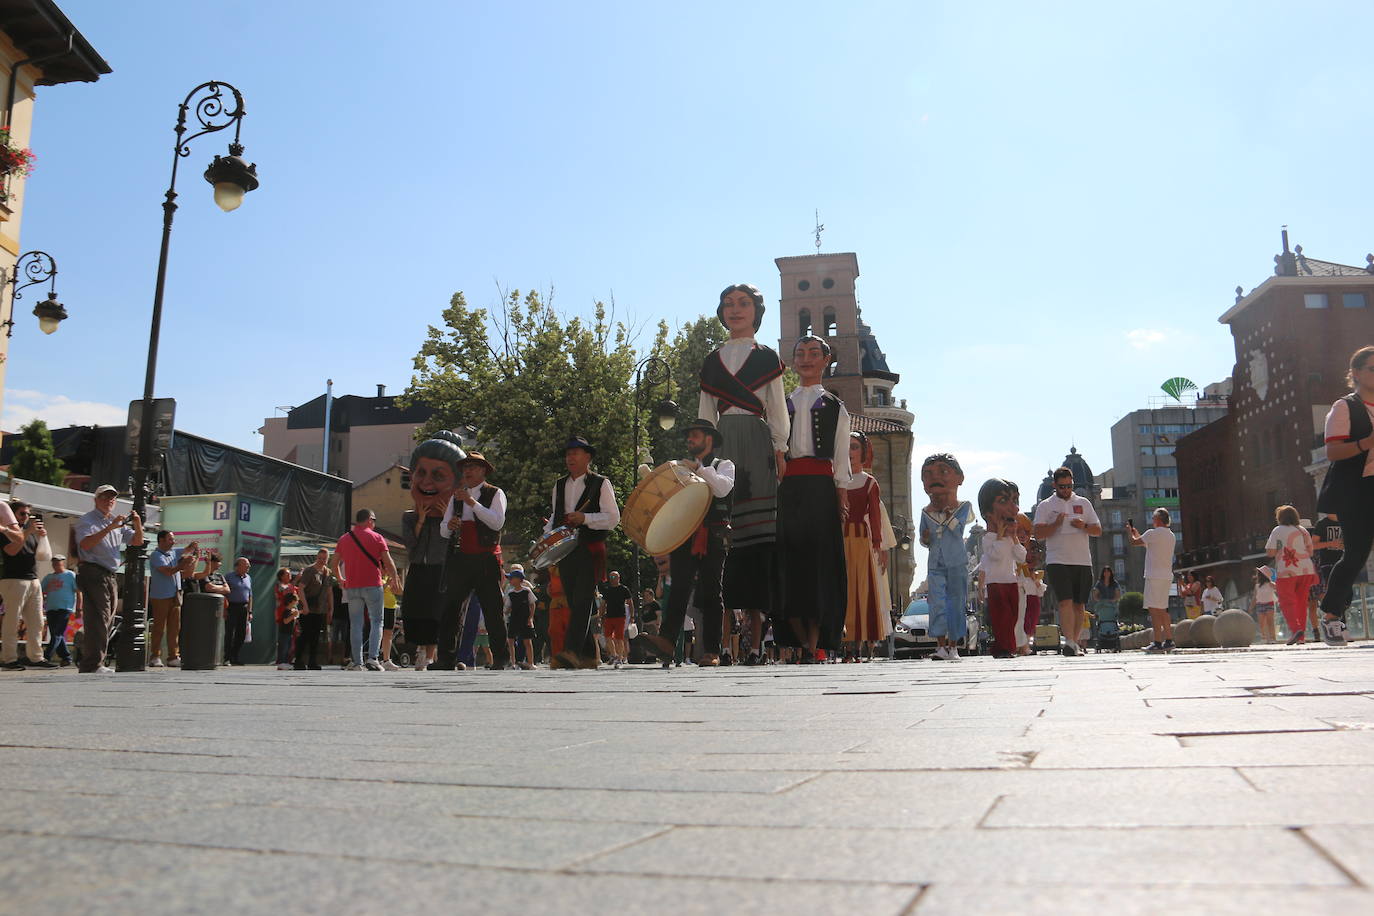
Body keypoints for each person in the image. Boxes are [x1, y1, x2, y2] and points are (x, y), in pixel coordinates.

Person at [699, 284, 788, 662]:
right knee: (720, 540)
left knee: (756, 542)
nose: (735, 310)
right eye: (728, 304)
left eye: (744, 303)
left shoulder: (768, 358)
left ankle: (754, 644)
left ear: (756, 311)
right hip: (721, 443)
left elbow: (777, 408)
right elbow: (705, 412)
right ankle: (717, 643)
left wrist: (781, 449)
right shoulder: (711, 361)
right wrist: (702, 456)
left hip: (756, 440)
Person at [776, 335, 850, 662]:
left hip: (821, 488)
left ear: (825, 360)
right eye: (800, 353)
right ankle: (800, 638)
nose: (806, 358)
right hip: (789, 487)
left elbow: (841, 457)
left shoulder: (836, 407)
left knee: (818, 562)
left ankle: (815, 641)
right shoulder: (781, 404)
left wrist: (841, 498)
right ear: (793, 361)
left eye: (813, 353)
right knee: (791, 562)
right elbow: (775, 446)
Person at [644, 418, 735, 667]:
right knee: (679, 588)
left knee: (711, 592)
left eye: (694, 435)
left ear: (709, 439)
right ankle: (666, 641)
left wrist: (698, 469)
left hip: (714, 536)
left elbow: (722, 489)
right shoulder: (681, 469)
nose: (689, 440)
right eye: (689, 436)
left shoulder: (724, 465)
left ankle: (713, 651)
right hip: (686, 536)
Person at [546, 436, 621, 670]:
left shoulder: (601, 483)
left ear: (588, 457)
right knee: (575, 601)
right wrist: (546, 539)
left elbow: (613, 518)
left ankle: (570, 651)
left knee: (581, 600)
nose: (570, 457)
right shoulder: (559, 485)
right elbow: (554, 517)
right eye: (568, 454)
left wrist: (585, 518)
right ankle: (589, 656)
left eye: (575, 453)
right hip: (566, 550)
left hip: (590, 549)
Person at [1316, 346, 1374, 645]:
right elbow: (1334, 451)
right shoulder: (1345, 407)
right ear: (1356, 373)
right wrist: (1367, 441)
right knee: (1356, 554)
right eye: (1372, 369)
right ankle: (1331, 614)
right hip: (1357, 489)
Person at [400, 431, 466, 671]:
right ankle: (420, 651)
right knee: (416, 609)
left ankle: (434, 654)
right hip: (419, 567)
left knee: (439, 611)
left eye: (438, 475)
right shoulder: (409, 518)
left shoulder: (459, 516)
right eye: (421, 473)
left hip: (443, 568)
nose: (426, 483)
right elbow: (411, 546)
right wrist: (420, 520)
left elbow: (458, 544)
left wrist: (447, 519)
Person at [440, 450, 510, 670]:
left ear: (483, 471)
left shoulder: (495, 493)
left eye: (472, 467)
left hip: (486, 559)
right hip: (461, 559)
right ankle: (446, 659)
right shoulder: (455, 496)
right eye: (465, 467)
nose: (467, 471)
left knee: (493, 611)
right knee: (451, 609)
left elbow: (496, 523)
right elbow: (443, 530)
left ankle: (501, 658)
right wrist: (449, 526)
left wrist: (471, 502)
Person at [1031, 467, 1102, 657]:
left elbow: (1097, 530)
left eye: (1069, 486)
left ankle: (1074, 642)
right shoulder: (1045, 505)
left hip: (1082, 560)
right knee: (1065, 602)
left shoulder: (1083, 503)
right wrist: (1055, 524)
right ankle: (1069, 642)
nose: (1066, 490)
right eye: (1062, 486)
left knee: (1079, 605)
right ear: (1055, 485)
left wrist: (1083, 526)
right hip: (1057, 559)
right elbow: (1038, 534)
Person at [74, 485, 144, 674]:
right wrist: (110, 527)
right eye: (104, 497)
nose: (109, 501)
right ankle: (92, 664)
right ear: (96, 500)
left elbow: (137, 541)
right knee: (99, 618)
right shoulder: (87, 520)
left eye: (112, 498)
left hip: (109, 574)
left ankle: (95, 661)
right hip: (93, 571)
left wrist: (137, 523)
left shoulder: (115, 521)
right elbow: (86, 544)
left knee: (107, 619)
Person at [920, 454, 975, 661]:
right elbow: (924, 540)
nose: (935, 478)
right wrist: (925, 538)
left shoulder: (964, 507)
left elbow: (957, 528)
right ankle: (940, 645)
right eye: (928, 474)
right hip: (935, 563)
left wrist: (947, 513)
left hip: (956, 561)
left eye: (943, 472)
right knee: (936, 604)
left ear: (959, 478)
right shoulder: (925, 512)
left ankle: (953, 646)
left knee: (955, 603)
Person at [331, 508, 401, 671]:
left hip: (353, 587)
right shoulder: (377, 538)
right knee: (377, 621)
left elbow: (333, 564)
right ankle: (373, 659)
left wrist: (341, 580)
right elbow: (388, 562)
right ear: (370, 520)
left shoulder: (344, 539)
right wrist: (395, 578)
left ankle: (357, 662)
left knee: (356, 624)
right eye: (374, 521)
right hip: (373, 585)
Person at [842, 432, 889, 661]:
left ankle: (860, 644)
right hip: (840, 539)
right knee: (844, 588)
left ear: (863, 452)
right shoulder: (837, 480)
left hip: (861, 538)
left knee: (861, 588)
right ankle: (845, 644)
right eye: (846, 447)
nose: (850, 452)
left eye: (854, 447)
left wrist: (878, 544)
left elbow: (877, 517)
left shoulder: (870, 483)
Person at [1, 502, 55, 669]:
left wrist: (41, 537)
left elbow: (40, 556)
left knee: (37, 621)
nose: (26, 517)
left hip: (33, 579)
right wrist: (28, 531)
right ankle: (9, 658)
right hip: (13, 580)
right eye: (22, 514)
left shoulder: (29, 532)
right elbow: (11, 551)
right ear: (13, 514)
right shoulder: (6, 531)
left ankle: (36, 657)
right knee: (12, 620)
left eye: (28, 514)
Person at [977, 478, 1024, 658]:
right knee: (1001, 617)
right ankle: (1004, 648)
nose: (1014, 508)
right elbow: (994, 554)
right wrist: (1001, 535)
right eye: (1004, 501)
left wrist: (1014, 538)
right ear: (988, 512)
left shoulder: (1010, 539)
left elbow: (1021, 556)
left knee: (1012, 616)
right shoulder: (989, 538)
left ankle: (1006, 646)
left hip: (1010, 580)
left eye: (1015, 501)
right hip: (996, 582)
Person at [1266, 504, 1318, 645]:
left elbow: (1270, 552)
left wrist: (1280, 549)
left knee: (1286, 602)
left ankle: (1295, 630)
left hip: (1287, 570)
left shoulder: (1277, 530)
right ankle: (1301, 637)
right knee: (1302, 602)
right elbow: (1311, 552)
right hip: (1306, 569)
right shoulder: (1303, 530)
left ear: (1279, 518)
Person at [1127, 508, 1176, 653]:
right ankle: (1168, 639)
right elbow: (1146, 543)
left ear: (1158, 519)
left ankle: (1157, 642)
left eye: (1154, 517)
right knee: (1162, 609)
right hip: (1166, 576)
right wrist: (1137, 534)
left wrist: (1129, 531)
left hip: (1154, 576)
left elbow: (1134, 542)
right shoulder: (1171, 535)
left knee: (1154, 610)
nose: (1152, 520)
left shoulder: (1152, 533)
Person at [147, 530, 198, 668]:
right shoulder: (156, 555)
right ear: (161, 541)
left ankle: (173, 656)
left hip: (175, 594)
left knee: (175, 628)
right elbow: (168, 571)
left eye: (173, 539)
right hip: (160, 596)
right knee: (159, 627)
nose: (173, 541)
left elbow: (187, 550)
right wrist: (182, 565)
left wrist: (193, 547)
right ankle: (155, 656)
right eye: (170, 539)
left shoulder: (173, 552)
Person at [295, 549, 332, 670]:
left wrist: (331, 609)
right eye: (320, 558)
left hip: (320, 609)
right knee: (305, 635)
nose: (322, 561)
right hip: (308, 608)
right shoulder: (309, 570)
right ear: (317, 557)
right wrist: (304, 605)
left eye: (324, 559)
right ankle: (298, 661)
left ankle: (312, 661)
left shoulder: (327, 572)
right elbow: (300, 588)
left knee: (315, 637)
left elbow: (329, 591)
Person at [41, 555, 79, 666]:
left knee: (57, 633)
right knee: (56, 634)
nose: (56, 565)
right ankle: (66, 657)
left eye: (58, 563)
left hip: (65, 608)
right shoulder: (48, 577)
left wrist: (79, 608)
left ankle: (46, 656)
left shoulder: (70, 575)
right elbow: (41, 591)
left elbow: (78, 592)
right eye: (54, 563)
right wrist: (42, 605)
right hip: (51, 608)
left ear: (63, 563)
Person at [503, 564, 537, 669]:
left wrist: (530, 617)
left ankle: (531, 662)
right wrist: (506, 612)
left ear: (518, 579)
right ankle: (512, 662)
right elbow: (508, 606)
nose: (510, 581)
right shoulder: (511, 593)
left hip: (525, 619)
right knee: (511, 640)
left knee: (527, 640)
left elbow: (532, 604)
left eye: (512, 578)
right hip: (514, 619)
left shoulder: (527, 591)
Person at [598, 570, 633, 667]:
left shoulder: (624, 589)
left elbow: (630, 603)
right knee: (607, 637)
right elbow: (603, 604)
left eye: (614, 577)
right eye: (611, 577)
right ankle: (613, 655)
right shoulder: (607, 590)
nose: (613, 579)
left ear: (619, 578)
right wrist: (600, 616)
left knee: (619, 638)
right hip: (609, 617)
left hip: (620, 616)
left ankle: (620, 658)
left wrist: (632, 616)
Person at [224, 557, 253, 665]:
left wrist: (250, 612)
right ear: (238, 566)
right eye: (246, 565)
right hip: (231, 607)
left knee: (241, 634)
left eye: (248, 564)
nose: (248, 567)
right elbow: (225, 594)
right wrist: (225, 609)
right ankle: (226, 657)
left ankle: (234, 657)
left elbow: (250, 596)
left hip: (244, 607)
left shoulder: (248, 578)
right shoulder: (229, 577)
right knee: (230, 633)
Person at [273, 567, 303, 670]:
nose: (290, 576)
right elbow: (286, 591)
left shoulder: (292, 586)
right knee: (284, 640)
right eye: (287, 574)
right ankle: (281, 661)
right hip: (283, 615)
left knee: (292, 641)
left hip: (293, 617)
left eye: (290, 574)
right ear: (281, 576)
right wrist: (297, 579)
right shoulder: (279, 586)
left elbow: (300, 593)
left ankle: (288, 660)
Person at [1254, 565, 1278, 643]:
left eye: (1259, 574)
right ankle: (1264, 637)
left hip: (1269, 604)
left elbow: (1279, 589)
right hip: (1260, 604)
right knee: (1262, 623)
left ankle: (1272, 638)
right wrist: (1251, 607)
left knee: (1270, 622)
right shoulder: (1257, 586)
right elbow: (1255, 597)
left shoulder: (1271, 584)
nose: (1257, 575)